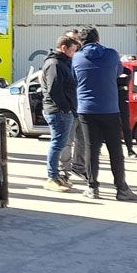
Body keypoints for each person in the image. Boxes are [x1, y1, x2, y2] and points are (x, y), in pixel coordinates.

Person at [72, 26, 137, 201]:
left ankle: (92, 188)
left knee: (91, 149)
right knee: (115, 150)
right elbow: (119, 73)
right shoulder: (111, 54)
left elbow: (75, 79)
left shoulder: (77, 57)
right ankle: (122, 189)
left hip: (86, 109)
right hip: (109, 108)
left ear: (81, 41)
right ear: (98, 39)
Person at [41, 35, 81, 192]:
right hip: (58, 111)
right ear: (64, 47)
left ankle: (57, 177)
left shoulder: (63, 62)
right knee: (57, 144)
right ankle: (52, 178)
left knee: (60, 144)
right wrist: (66, 108)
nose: (73, 54)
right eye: (72, 50)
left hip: (64, 110)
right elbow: (54, 89)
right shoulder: (55, 64)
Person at [59, 28, 89, 181]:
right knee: (66, 141)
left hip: (82, 106)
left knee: (83, 140)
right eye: (72, 40)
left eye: (77, 40)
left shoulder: (81, 58)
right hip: (69, 108)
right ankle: (63, 170)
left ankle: (79, 167)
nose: (75, 43)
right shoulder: (60, 62)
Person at [118, 58, 137, 158]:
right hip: (112, 101)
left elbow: (127, 76)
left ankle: (129, 149)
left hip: (122, 101)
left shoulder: (125, 71)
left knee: (125, 127)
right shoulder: (108, 71)